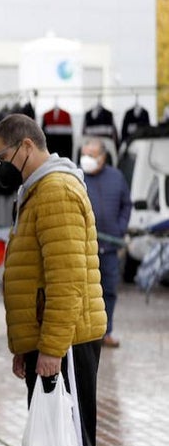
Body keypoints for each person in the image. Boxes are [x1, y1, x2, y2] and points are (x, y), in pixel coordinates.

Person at [0, 114, 110, 446]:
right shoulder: (36, 190)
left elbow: (66, 279)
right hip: (47, 338)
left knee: (73, 441)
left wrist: (53, 346)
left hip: (69, 338)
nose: (0, 166)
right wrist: (27, 344)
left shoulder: (56, 191)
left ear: (24, 146)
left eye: (2, 157)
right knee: (50, 435)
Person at [80, 136, 132, 348]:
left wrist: (119, 230)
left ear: (103, 157)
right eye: (84, 155)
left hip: (109, 247)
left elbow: (126, 204)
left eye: (91, 156)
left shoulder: (116, 177)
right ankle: (85, 334)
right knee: (84, 291)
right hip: (84, 248)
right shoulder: (77, 176)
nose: (86, 159)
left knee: (108, 290)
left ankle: (106, 331)